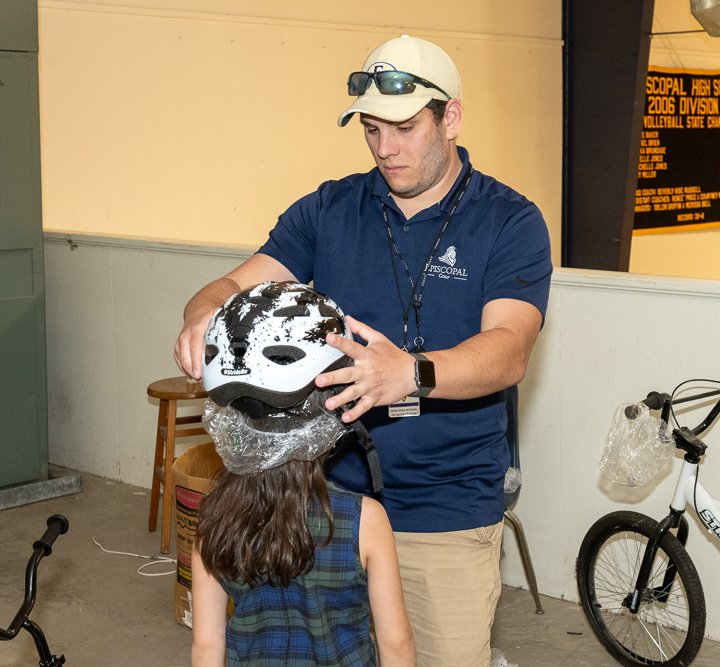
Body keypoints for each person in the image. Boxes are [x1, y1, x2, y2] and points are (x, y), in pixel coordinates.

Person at [175, 34, 552, 666]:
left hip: (447, 506)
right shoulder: (330, 208)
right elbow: (239, 282)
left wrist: (410, 373)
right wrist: (199, 314)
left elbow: (509, 349)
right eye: (371, 129)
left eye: (403, 128)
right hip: (325, 505)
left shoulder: (509, 221)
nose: (385, 148)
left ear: (450, 117)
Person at [190, 281, 415, 666]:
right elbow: (395, 645)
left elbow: (208, 648)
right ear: (330, 416)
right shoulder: (364, 521)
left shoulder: (213, 519)